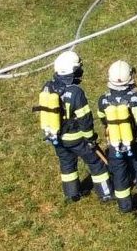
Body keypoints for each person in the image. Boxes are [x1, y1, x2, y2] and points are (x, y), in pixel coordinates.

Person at [36, 51, 113, 205]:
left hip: (56, 137)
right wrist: (91, 139)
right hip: (77, 138)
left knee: (67, 164)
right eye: (77, 70)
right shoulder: (76, 93)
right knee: (96, 163)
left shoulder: (47, 87)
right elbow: (85, 119)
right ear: (71, 72)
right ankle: (106, 193)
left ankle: (72, 194)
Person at [97, 61, 137, 215]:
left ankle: (124, 206)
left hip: (115, 145)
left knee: (119, 174)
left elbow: (103, 120)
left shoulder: (103, 100)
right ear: (130, 77)